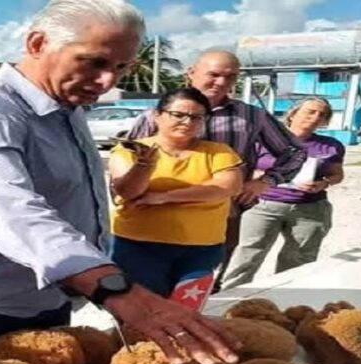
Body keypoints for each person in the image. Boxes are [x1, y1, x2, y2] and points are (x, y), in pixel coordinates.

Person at [0, 0, 240, 364]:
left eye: (121, 67)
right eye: (94, 61)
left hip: (49, 291)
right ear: (37, 44)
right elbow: (15, 213)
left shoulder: (65, 107)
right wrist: (118, 290)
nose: (109, 81)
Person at [126, 50, 305, 286]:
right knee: (146, 285)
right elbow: (128, 163)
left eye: (230, 77)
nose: (221, 82)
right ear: (191, 73)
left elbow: (295, 151)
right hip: (157, 212)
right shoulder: (154, 117)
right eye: (214, 74)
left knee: (199, 287)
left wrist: (265, 182)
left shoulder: (251, 116)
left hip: (222, 216)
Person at [109, 87, 244, 296]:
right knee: (144, 310)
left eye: (197, 117)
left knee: (187, 309)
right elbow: (127, 192)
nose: (187, 122)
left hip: (201, 248)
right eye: (178, 115)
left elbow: (227, 186)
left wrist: (163, 197)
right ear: (158, 115)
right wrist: (145, 166)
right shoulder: (131, 150)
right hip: (138, 245)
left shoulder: (218, 152)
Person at [222, 97, 345, 287]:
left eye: (322, 114)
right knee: (247, 255)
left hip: (310, 209)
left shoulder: (331, 145)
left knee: (299, 260)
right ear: (293, 113)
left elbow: (337, 174)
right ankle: (227, 298)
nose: (315, 117)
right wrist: (260, 177)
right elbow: (241, 168)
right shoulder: (263, 139)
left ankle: (285, 300)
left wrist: (323, 183)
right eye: (310, 111)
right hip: (263, 204)